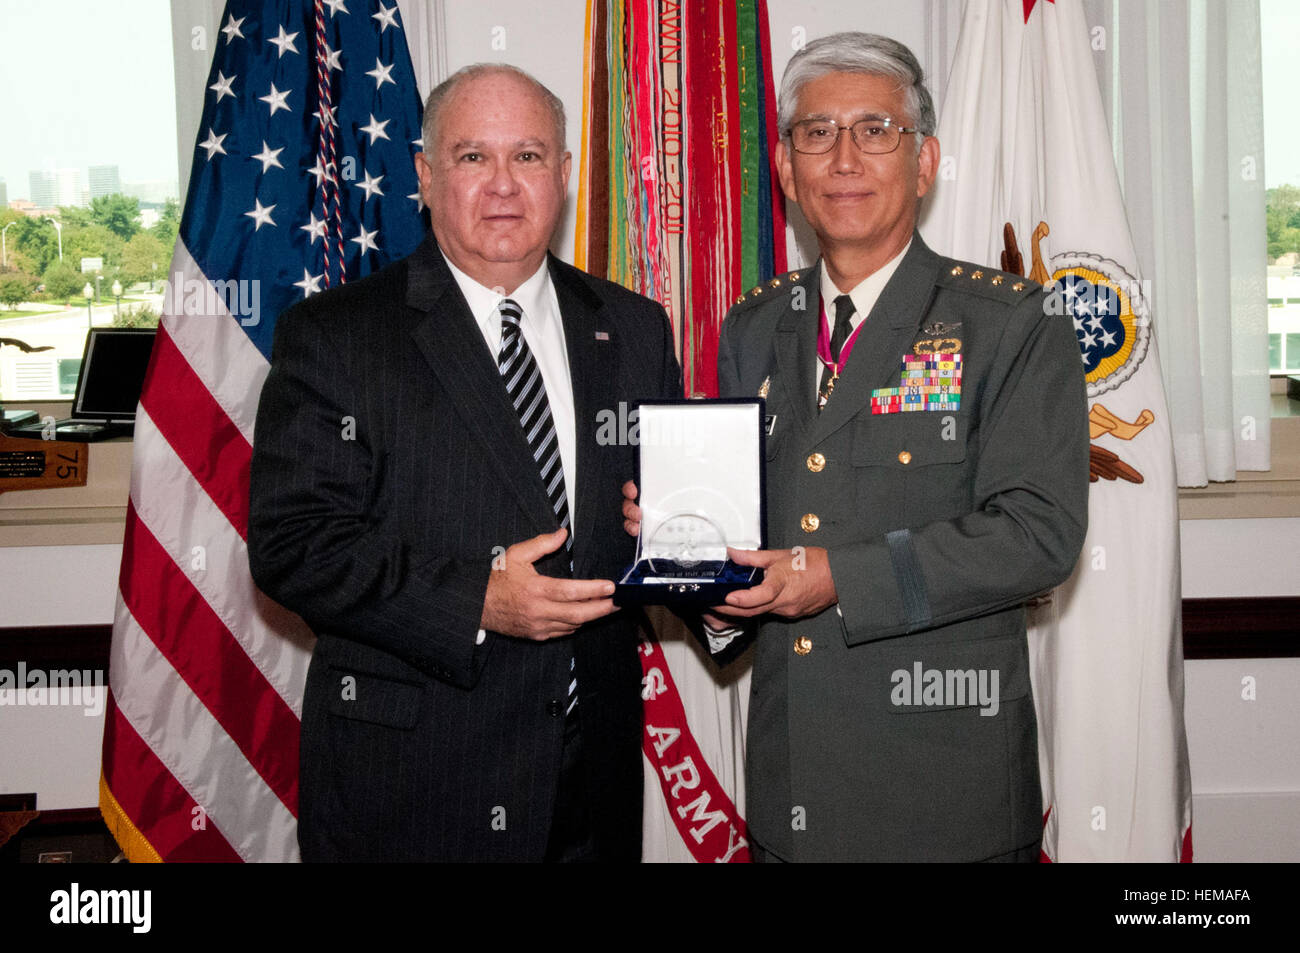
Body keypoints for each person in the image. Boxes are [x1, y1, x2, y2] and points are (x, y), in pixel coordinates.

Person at [625, 32, 1089, 861]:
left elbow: (1038, 535)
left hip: (944, 800)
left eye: (876, 130)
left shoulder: (1009, 322)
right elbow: (757, 553)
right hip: (790, 791)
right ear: (784, 167)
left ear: (925, 162)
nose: (844, 158)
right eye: (816, 133)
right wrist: (686, 548)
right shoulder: (753, 326)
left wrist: (837, 576)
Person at [249, 64, 680, 862]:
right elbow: (294, 545)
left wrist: (704, 567)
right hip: (416, 790)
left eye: (528, 155)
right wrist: (478, 599)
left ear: (564, 173)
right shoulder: (337, 335)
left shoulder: (634, 328)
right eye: (473, 157)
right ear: (424, 173)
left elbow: (655, 527)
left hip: (594, 787)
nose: (504, 185)